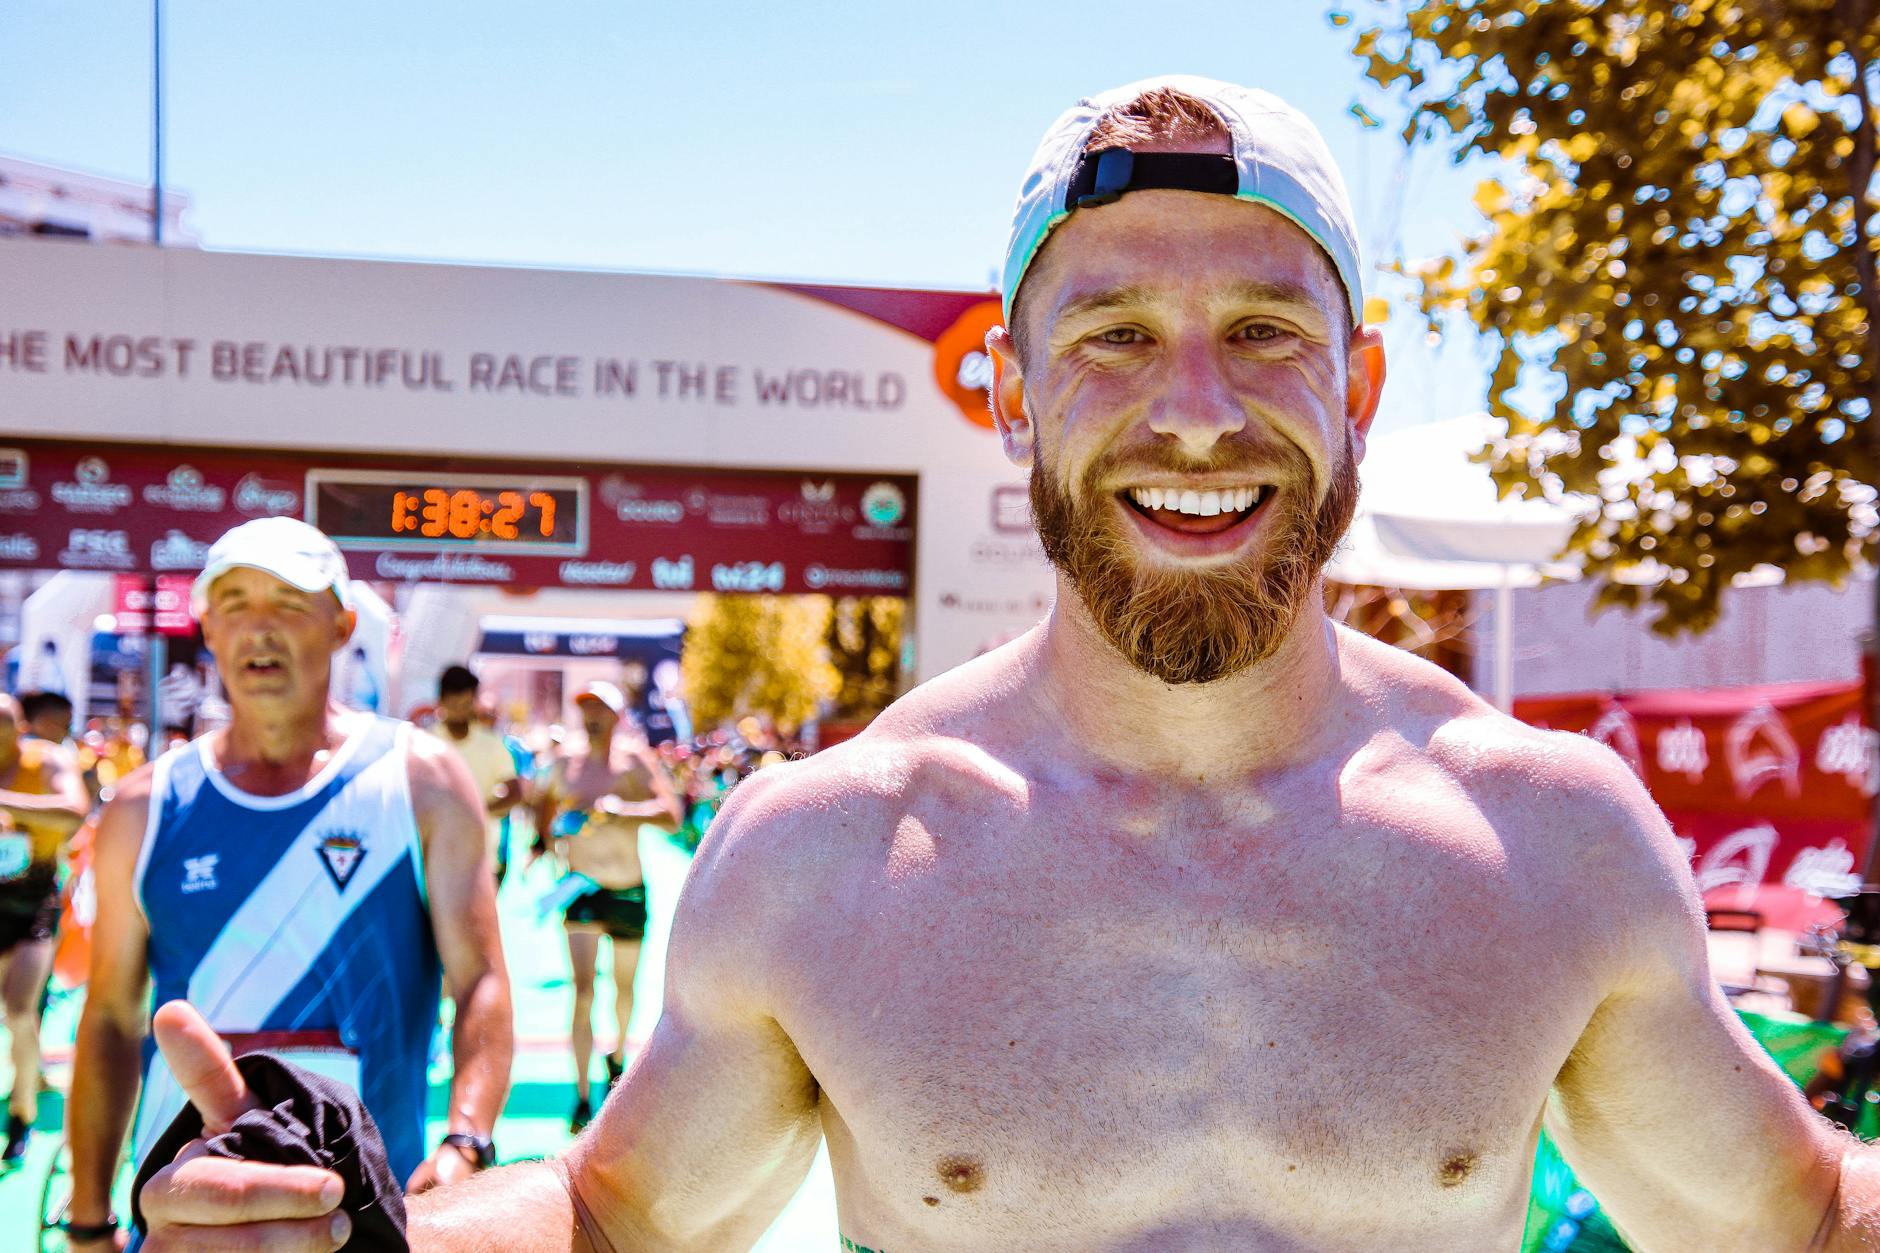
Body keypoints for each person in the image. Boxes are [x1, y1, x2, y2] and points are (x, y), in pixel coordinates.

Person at [134, 75, 1880, 1251]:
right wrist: (368, 1230)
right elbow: (620, 1216)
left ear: (1356, 388)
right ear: (1012, 395)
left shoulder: (1548, 842)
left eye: (1266, 333)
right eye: (1113, 336)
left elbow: (1796, 1216)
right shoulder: (830, 852)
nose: (1196, 407)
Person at [66, 516, 513, 1250]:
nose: (259, 628)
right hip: (186, 1211)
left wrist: (468, 1138)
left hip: (365, 1207)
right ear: (206, 627)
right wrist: (89, 1220)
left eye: (288, 602)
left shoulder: (420, 779)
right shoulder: (145, 805)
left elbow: (482, 979)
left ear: (340, 624)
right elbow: (111, 1018)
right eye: (235, 602)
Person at [532, 680, 681, 1131]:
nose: (592, 716)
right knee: (582, 990)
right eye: (586, 708)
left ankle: (615, 1057)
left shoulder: (635, 760)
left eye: (600, 709)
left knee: (624, 988)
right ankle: (580, 1093)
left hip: (627, 888)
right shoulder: (565, 762)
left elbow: (672, 814)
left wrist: (623, 810)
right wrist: (544, 837)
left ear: (616, 717)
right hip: (582, 890)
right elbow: (540, 798)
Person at [0, 693, 87, 1164]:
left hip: (34, 903)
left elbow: (74, 811)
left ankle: (21, 1116)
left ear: (19, 728)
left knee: (19, 1011)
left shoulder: (47, 760)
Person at [433, 665, 522, 886]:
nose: (460, 710)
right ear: (441, 701)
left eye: (465, 703)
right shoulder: (425, 743)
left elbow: (515, 793)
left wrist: (478, 812)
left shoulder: (491, 744)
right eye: (454, 703)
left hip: (482, 858)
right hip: (435, 856)